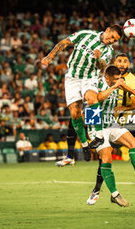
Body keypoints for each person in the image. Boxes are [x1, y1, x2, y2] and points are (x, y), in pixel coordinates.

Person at [38, 25, 124, 164]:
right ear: (107, 30)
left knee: (91, 99)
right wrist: (50, 56)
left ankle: (99, 135)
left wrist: (97, 59)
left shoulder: (109, 50)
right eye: (112, 37)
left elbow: (101, 66)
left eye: (115, 40)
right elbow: (65, 42)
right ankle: (84, 145)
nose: (111, 41)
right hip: (72, 77)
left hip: (89, 78)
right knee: (75, 114)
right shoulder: (86, 34)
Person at [85, 65, 135, 207]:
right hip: (96, 125)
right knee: (106, 157)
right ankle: (115, 195)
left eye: (119, 79)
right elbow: (96, 98)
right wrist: (115, 86)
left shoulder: (116, 83)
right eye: (115, 79)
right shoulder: (95, 83)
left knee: (134, 143)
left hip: (111, 122)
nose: (118, 81)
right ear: (107, 77)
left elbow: (129, 89)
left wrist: (134, 92)